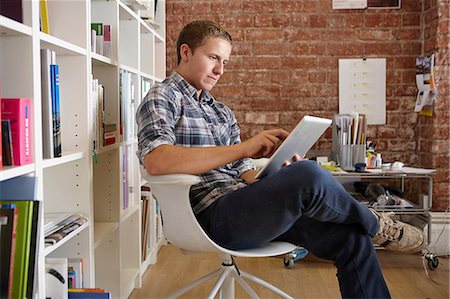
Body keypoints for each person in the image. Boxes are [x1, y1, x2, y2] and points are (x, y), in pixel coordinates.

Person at [136, 20, 426, 299]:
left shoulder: (221, 111)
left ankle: (367, 227)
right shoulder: (162, 96)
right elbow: (157, 160)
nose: (220, 69)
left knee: (350, 237)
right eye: (213, 57)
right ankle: (376, 224)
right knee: (309, 176)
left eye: (225, 61)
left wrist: (278, 177)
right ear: (185, 52)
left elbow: (243, 170)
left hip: (245, 205)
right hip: (210, 217)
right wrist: (245, 149)